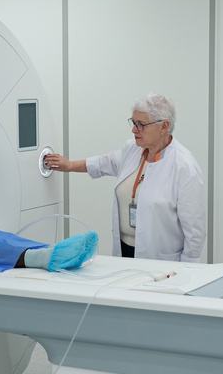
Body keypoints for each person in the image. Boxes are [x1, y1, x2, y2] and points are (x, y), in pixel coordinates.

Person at [43, 93, 205, 262]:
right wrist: (70, 165)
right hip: (125, 250)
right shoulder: (133, 149)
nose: (134, 130)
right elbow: (105, 162)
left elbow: (195, 233)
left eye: (141, 125)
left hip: (162, 260)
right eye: (133, 123)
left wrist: (188, 271)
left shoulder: (184, 166)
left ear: (164, 126)